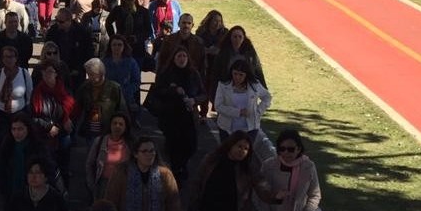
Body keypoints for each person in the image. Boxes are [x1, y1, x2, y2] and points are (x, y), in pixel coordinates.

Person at [143, 48, 206, 179]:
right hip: (170, 116)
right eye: (179, 56)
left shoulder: (194, 74)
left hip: (189, 116)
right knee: (174, 146)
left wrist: (194, 100)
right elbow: (157, 91)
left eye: (184, 56)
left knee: (191, 145)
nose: (182, 59)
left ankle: (181, 165)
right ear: (174, 59)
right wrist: (173, 90)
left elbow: (203, 94)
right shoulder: (166, 73)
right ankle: (176, 171)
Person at [215, 59, 272, 142]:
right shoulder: (223, 85)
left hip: (250, 128)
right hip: (227, 128)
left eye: (241, 75)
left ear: (246, 75)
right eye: (235, 74)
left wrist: (258, 111)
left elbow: (267, 97)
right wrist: (238, 112)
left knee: (246, 153)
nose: (237, 77)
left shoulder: (254, 85)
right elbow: (218, 106)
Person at [74, 59, 128, 146]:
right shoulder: (84, 87)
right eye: (88, 74)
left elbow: (122, 110)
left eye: (91, 74)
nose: (89, 77)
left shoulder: (114, 88)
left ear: (101, 73)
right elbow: (77, 107)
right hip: (90, 131)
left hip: (108, 130)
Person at [0, 45, 34, 141]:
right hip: (1, 114)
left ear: (16, 58)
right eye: (5, 57)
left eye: (11, 57)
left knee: (18, 141)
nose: (8, 59)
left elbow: (30, 94)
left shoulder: (24, 73)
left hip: (19, 114)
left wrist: (27, 112)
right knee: (3, 141)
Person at [85, 112, 133, 201]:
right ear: (110, 125)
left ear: (125, 127)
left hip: (122, 185)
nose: (117, 126)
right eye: (114, 123)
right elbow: (89, 163)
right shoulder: (99, 141)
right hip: (103, 185)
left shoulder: (130, 144)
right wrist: (91, 184)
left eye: (121, 124)